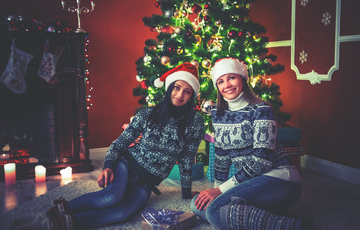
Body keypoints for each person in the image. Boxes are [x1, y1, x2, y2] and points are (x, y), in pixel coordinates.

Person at [44, 62, 204, 230]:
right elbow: (120, 143)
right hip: (127, 165)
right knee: (112, 196)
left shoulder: (195, 121)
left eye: (187, 91)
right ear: (169, 87)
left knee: (122, 213)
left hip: (145, 184)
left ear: (192, 96)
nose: (180, 94)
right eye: (177, 87)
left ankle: (68, 222)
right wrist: (108, 166)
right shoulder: (148, 114)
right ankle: (62, 209)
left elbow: (187, 158)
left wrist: (186, 193)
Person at [191, 58, 314, 230]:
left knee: (213, 212)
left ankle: (293, 226)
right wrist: (216, 189)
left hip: (281, 180)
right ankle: (256, 217)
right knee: (197, 204)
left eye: (231, 77)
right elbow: (221, 155)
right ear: (217, 87)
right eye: (220, 81)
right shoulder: (218, 113)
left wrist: (221, 191)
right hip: (253, 182)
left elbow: (262, 160)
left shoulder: (261, 109)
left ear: (242, 78)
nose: (226, 84)